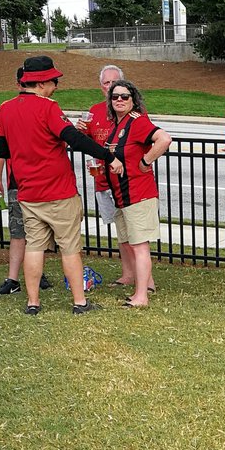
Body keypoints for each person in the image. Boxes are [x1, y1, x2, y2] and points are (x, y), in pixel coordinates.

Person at [0, 55, 119, 316]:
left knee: (34, 247)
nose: (56, 85)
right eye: (54, 81)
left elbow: (2, 148)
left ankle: (33, 303)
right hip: (59, 192)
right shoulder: (48, 107)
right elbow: (72, 137)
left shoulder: (5, 108)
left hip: (28, 193)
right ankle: (79, 302)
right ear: (41, 83)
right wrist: (108, 156)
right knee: (69, 247)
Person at [79, 65, 157, 295]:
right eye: (107, 85)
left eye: (117, 85)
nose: (113, 91)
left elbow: (155, 139)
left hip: (132, 186)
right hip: (105, 183)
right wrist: (80, 131)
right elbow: (92, 143)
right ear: (101, 87)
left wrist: (145, 162)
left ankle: (146, 284)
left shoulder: (135, 116)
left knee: (138, 238)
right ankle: (128, 274)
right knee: (123, 233)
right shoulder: (95, 112)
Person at [94, 79, 171, 308]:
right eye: (115, 96)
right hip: (122, 195)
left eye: (124, 97)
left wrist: (146, 161)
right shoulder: (117, 124)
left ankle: (141, 297)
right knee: (129, 242)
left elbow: (164, 139)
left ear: (133, 100)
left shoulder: (137, 121)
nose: (119, 100)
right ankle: (146, 285)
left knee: (139, 246)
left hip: (138, 194)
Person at [0, 66, 52, 296]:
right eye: (21, 83)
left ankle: (37, 272)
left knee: (41, 231)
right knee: (18, 231)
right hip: (18, 181)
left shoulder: (46, 108)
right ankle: (13, 278)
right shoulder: (8, 109)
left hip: (43, 182)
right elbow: (1, 150)